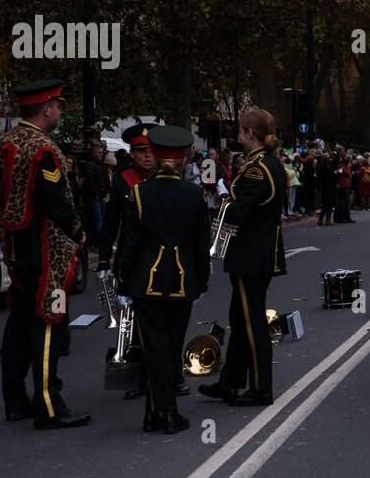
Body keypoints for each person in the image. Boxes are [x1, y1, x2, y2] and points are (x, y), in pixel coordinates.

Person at [0, 80, 90, 428]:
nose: (60, 111)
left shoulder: (4, 142)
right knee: (49, 318)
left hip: (15, 248)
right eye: (58, 106)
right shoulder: (43, 149)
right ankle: (48, 403)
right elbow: (56, 200)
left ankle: (14, 400)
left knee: (18, 322)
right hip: (47, 249)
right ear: (47, 108)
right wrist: (78, 230)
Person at [116, 126, 210, 433]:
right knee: (170, 348)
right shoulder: (195, 195)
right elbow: (200, 246)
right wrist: (202, 281)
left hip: (146, 282)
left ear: (154, 156)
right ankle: (165, 412)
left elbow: (129, 246)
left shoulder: (139, 193)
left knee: (154, 349)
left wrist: (122, 281)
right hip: (182, 281)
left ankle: (157, 412)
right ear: (183, 158)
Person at [199, 108, 287, 407]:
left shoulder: (254, 168)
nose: (239, 134)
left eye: (241, 129)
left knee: (252, 323)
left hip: (250, 254)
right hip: (259, 252)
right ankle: (231, 381)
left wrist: (220, 194)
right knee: (240, 317)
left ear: (249, 133)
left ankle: (261, 389)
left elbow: (238, 211)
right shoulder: (267, 163)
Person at [99, 124, 160, 401]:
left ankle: (170, 375)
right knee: (131, 320)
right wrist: (102, 259)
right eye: (140, 151)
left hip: (162, 255)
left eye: (150, 151)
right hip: (131, 257)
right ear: (132, 154)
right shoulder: (122, 179)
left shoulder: (165, 176)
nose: (146, 156)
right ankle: (137, 377)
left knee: (165, 318)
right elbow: (111, 222)